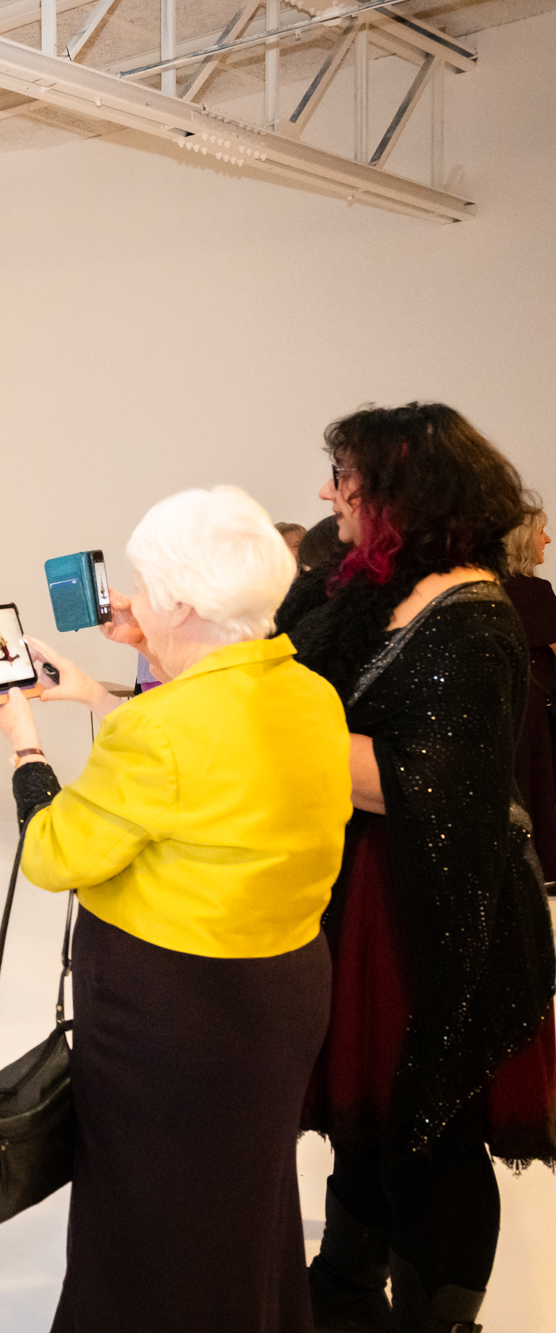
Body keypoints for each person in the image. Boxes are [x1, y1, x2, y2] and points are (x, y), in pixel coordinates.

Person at [0, 486, 352, 1333]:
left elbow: (53, 852)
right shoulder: (310, 695)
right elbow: (213, 762)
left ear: (183, 600)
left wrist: (24, 740)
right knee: (242, 1206)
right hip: (286, 989)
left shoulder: (166, 729)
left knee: (147, 1217)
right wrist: (111, 678)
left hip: (177, 1013)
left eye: (145, 587)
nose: (130, 601)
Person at [278, 403, 555, 1333]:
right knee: (365, 1119)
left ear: (400, 492)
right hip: (368, 895)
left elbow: (418, 784)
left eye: (345, 481)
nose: (328, 495)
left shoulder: (473, 618)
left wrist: (271, 736)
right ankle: (347, 1287)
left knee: (427, 1134)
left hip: (436, 909)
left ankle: (431, 1317)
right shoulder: (371, 588)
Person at [502, 498, 555, 887]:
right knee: (542, 787)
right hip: (538, 713)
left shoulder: (486, 588)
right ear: (522, 541)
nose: (548, 540)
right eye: (540, 532)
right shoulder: (535, 592)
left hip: (505, 709)